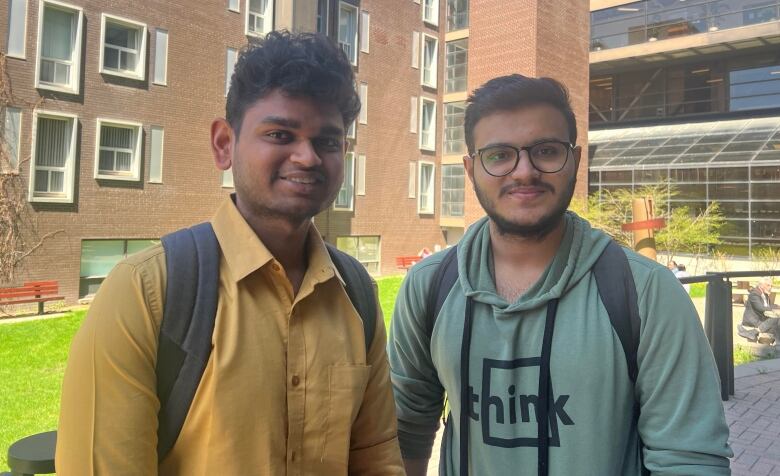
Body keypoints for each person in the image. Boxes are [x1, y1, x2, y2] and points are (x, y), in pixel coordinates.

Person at [56, 31, 404, 475]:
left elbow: (375, 457)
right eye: (280, 133)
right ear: (224, 144)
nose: (308, 157)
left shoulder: (355, 294)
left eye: (328, 141)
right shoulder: (149, 293)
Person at [388, 74, 731, 475]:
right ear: (471, 169)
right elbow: (405, 431)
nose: (524, 172)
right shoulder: (429, 285)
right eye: (499, 155)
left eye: (546, 151)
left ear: (576, 160)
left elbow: (688, 460)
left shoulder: (647, 293)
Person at [741, 277, 779, 344]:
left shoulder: (765, 295)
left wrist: (776, 308)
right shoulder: (754, 294)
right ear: (761, 285)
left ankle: (755, 333)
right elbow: (760, 308)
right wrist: (775, 308)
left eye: (771, 286)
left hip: (761, 320)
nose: (770, 287)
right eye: (768, 285)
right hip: (752, 321)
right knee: (776, 320)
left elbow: (767, 308)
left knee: (777, 322)